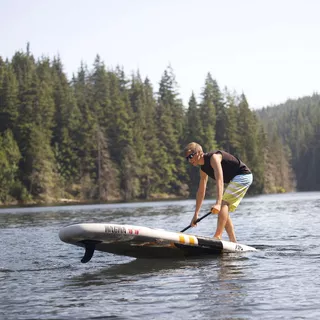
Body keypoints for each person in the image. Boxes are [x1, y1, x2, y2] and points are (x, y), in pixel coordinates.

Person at [184, 142, 253, 243]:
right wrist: (196, 214)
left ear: (199, 152)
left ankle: (218, 236)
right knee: (224, 210)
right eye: (187, 158)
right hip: (235, 178)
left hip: (243, 175)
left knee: (223, 204)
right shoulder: (203, 169)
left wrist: (218, 203)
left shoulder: (214, 158)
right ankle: (233, 242)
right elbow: (201, 191)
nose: (189, 160)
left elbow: (219, 179)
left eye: (191, 156)